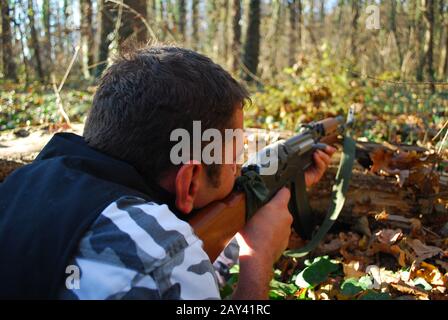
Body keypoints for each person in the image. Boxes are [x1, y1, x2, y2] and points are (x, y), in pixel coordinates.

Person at [0, 46, 335, 300]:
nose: (239, 170)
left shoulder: (23, 184)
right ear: (188, 183)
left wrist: (270, 197)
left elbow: (184, 268)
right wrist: (257, 259)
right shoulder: (157, 257)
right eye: (235, 162)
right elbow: (169, 262)